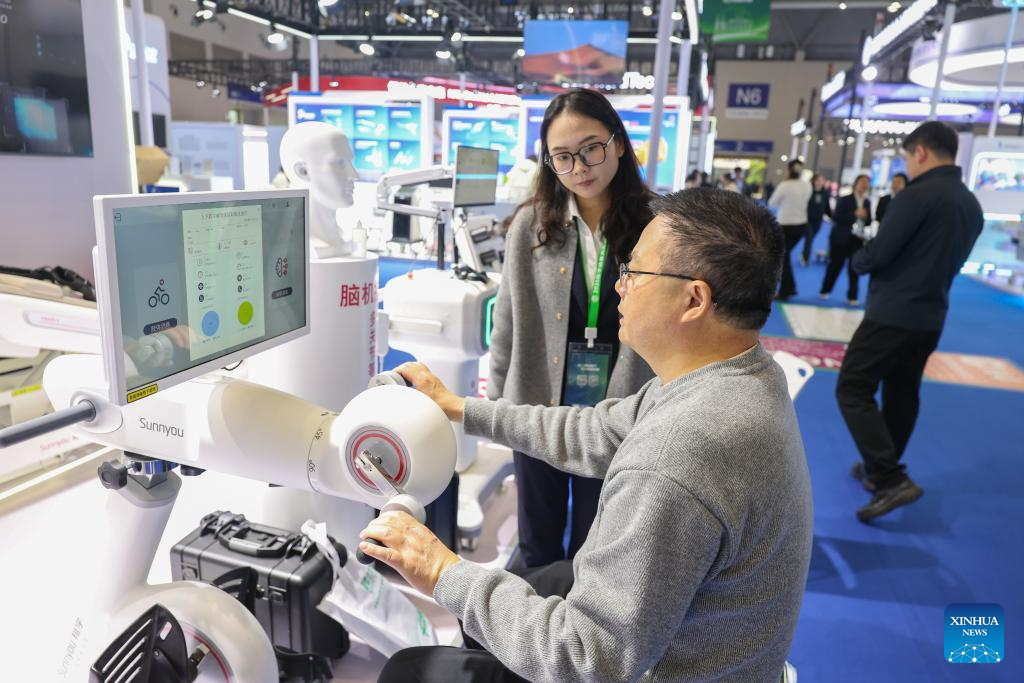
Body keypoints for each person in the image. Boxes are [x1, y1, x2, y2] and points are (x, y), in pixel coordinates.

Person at [364, 188, 814, 683]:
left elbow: (586, 658)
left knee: (410, 671)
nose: (621, 286)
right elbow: (593, 431)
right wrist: (460, 407)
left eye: (634, 272)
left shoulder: (675, 456)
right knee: (526, 587)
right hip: (708, 647)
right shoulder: (739, 374)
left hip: (649, 667)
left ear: (693, 299)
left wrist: (439, 570)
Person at [485, 89, 655, 568]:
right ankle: (533, 613)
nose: (579, 167)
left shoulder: (657, 226)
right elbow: (507, 316)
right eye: (562, 156)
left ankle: (582, 616)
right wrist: (498, 402)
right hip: (538, 400)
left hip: (619, 408)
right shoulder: (532, 224)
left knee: (596, 539)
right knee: (536, 539)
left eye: (591, 148)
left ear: (618, 143)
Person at [838, 121, 983, 521]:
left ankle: (889, 477)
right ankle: (879, 468)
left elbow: (879, 253)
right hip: (931, 315)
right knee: (903, 392)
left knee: (852, 386)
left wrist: (858, 259)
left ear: (920, 152)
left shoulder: (916, 196)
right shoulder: (970, 204)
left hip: (892, 313)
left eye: (906, 157)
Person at [819, 174, 871, 306]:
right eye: (862, 181)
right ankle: (825, 290)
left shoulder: (867, 202)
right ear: (856, 183)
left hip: (857, 238)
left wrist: (865, 217)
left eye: (867, 182)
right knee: (835, 265)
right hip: (840, 238)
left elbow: (869, 221)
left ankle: (852, 296)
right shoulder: (845, 199)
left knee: (854, 267)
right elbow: (837, 217)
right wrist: (854, 214)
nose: (864, 184)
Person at [768, 159, 812, 300]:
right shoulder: (807, 185)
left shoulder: (785, 185)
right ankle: (790, 288)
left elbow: (772, 202)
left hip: (786, 225)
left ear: (789, 169)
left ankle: (786, 290)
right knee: (784, 257)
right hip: (801, 225)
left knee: (782, 258)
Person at [801, 173, 832, 266]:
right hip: (807, 220)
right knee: (809, 238)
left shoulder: (825, 193)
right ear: (814, 181)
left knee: (810, 239)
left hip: (818, 221)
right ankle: (805, 258)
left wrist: (833, 217)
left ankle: (804, 253)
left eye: (822, 180)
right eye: (818, 180)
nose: (820, 182)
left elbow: (827, 208)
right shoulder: (808, 191)